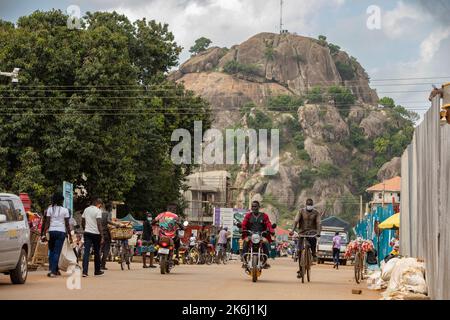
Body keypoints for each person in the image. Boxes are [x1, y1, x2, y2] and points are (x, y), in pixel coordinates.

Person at [40, 192, 72, 278]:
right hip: (61, 232)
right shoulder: (65, 210)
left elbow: (47, 223)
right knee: (57, 252)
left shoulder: (50, 209)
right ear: (61, 201)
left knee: (52, 251)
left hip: (51, 232)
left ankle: (52, 269)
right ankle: (53, 272)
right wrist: (70, 235)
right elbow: (67, 225)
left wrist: (43, 233)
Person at [290, 198, 321, 277]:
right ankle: (300, 270)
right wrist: (293, 230)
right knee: (300, 251)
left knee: (313, 241)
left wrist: (318, 232)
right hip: (302, 232)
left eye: (311, 205)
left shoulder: (316, 212)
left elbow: (319, 223)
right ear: (306, 205)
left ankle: (314, 254)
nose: (309, 206)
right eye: (308, 205)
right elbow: (296, 221)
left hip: (312, 232)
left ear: (312, 205)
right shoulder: (301, 211)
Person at [241, 200, 275, 269]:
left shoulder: (264, 216)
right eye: (253, 206)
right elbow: (244, 224)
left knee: (265, 241)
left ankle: (265, 260)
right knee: (246, 241)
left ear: (259, 207)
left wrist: (271, 230)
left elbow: (268, 224)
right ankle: (244, 259)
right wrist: (242, 229)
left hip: (261, 235)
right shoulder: (248, 215)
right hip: (250, 235)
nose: (254, 208)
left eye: (255, 206)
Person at [81, 199, 104, 277]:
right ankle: (97, 271)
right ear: (99, 204)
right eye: (100, 205)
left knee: (86, 252)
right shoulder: (98, 211)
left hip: (87, 233)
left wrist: (85, 228)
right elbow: (99, 224)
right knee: (97, 252)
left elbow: (82, 221)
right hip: (96, 234)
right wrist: (102, 235)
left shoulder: (86, 209)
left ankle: (84, 272)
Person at [100, 202, 120, 270]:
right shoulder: (108, 213)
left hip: (99, 232)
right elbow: (108, 221)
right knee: (106, 249)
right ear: (110, 208)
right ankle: (102, 265)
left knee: (100, 249)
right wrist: (116, 224)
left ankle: (98, 264)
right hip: (106, 233)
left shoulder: (101, 213)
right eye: (111, 207)